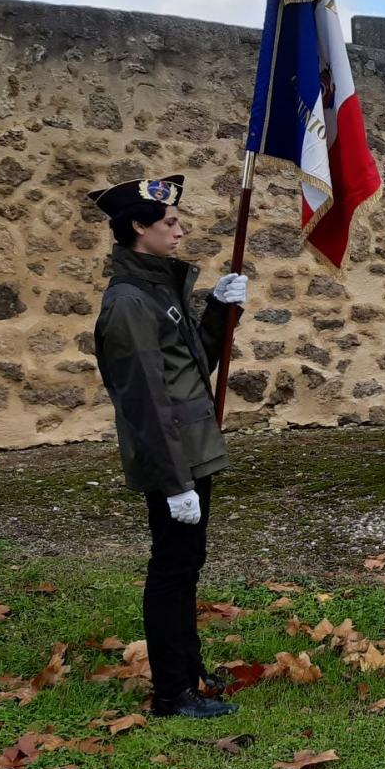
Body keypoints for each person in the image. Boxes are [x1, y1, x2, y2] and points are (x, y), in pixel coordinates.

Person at [88, 177, 248, 720]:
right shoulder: (129, 302)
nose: (180, 231)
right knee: (172, 569)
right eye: (169, 223)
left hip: (191, 448)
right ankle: (171, 693)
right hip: (172, 454)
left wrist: (220, 313)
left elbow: (191, 366)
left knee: (187, 563)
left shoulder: (157, 289)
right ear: (138, 227)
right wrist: (175, 483)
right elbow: (146, 403)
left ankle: (190, 671)